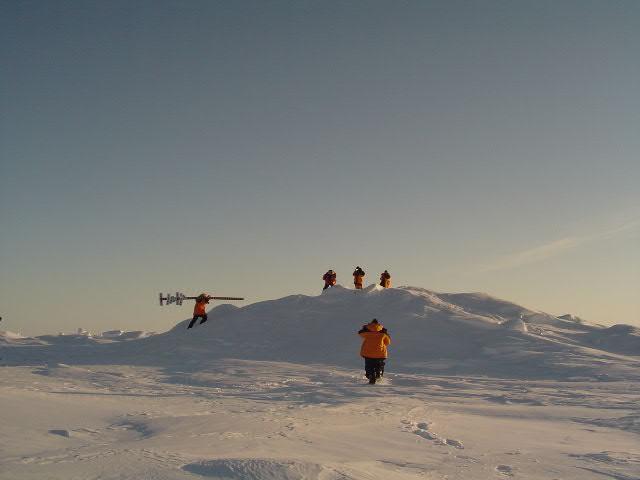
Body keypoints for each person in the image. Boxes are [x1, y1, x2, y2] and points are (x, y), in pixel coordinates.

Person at [358, 319, 391, 384]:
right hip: (380, 353)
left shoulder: (366, 333)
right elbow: (388, 342)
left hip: (368, 353)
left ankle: (371, 375)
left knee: (369, 366)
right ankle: (378, 374)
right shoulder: (383, 334)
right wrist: (385, 333)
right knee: (378, 365)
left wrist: (365, 328)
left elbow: (360, 333)